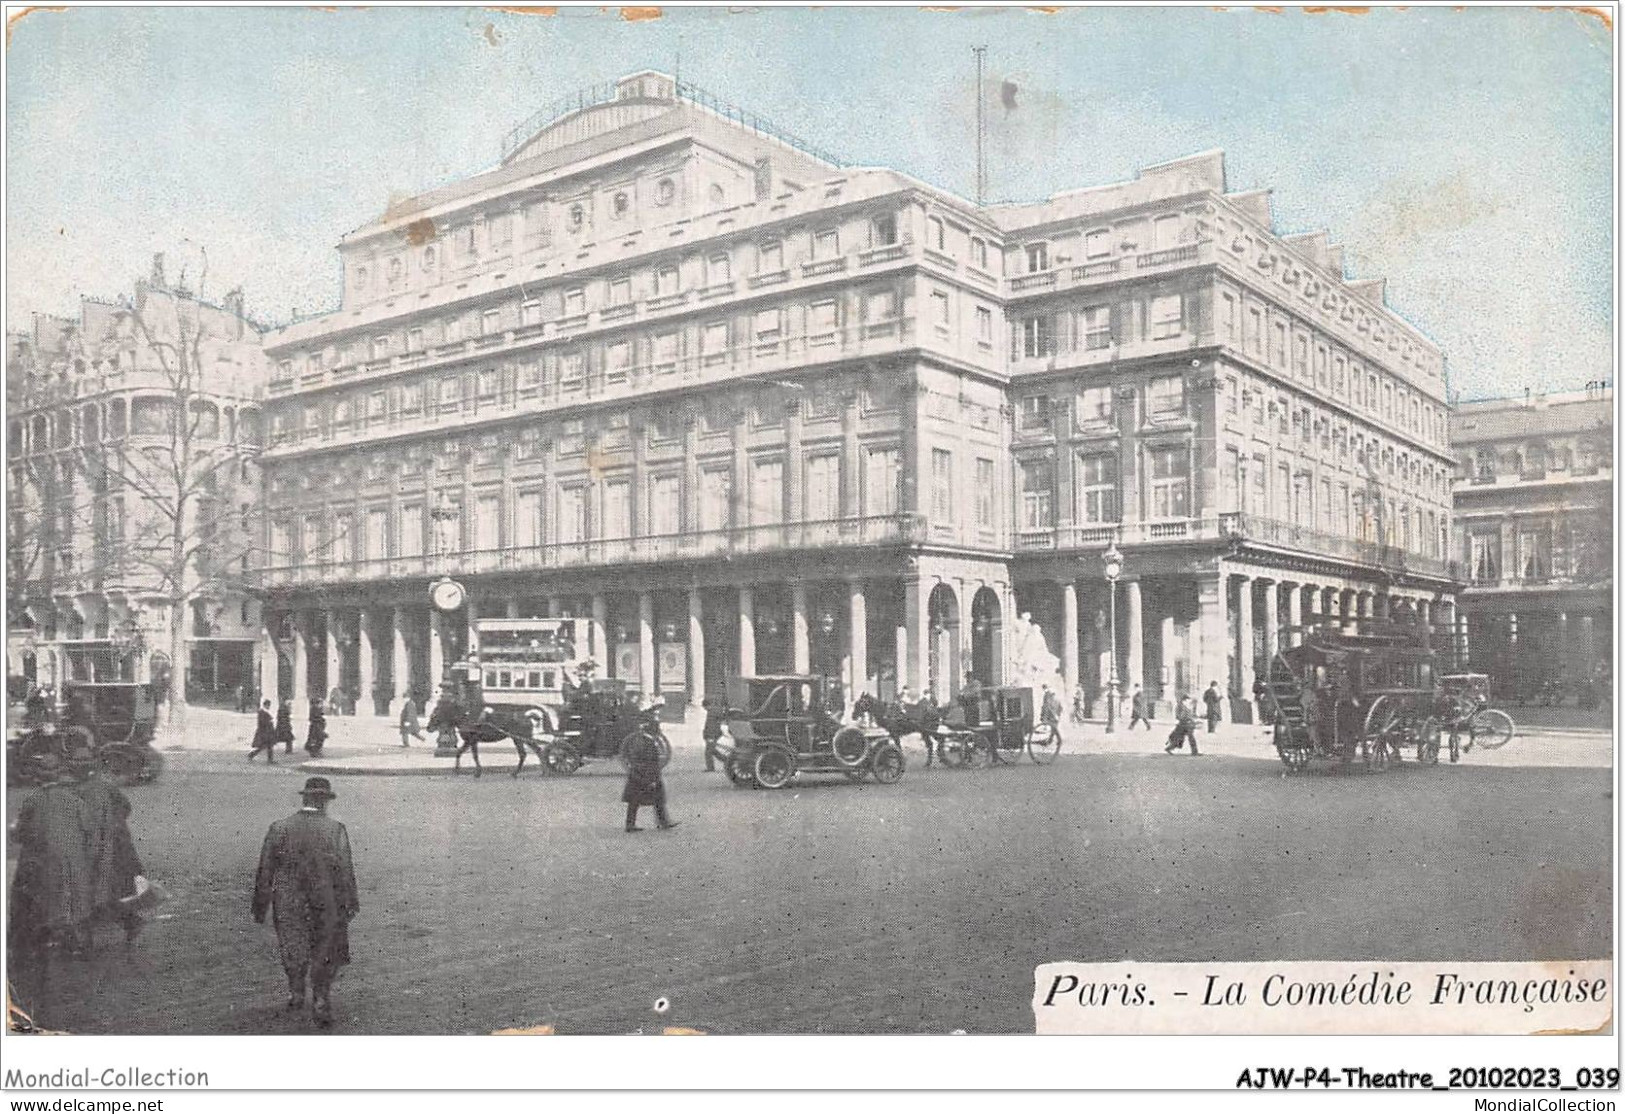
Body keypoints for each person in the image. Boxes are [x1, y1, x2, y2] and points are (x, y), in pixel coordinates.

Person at [252, 777, 358, 1027]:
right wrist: (351, 902)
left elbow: (265, 869)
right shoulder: (335, 829)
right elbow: (345, 869)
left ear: (305, 799)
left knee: (293, 944)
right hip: (326, 898)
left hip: (288, 899)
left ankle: (296, 991)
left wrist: (260, 905)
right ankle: (320, 997)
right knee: (325, 947)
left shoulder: (280, 827)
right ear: (325, 802)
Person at [7, 751, 97, 958]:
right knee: (74, 897)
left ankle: (40, 938)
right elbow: (89, 829)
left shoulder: (33, 799)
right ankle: (75, 939)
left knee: (35, 894)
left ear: (38, 776)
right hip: (74, 860)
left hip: (43, 860)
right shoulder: (74, 799)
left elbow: (20, 833)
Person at [72, 757, 146, 945]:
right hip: (112, 847)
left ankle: (122, 924)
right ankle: (127, 922)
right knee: (109, 890)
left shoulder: (85, 789)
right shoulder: (104, 789)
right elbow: (125, 809)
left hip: (104, 849)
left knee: (100, 890)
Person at [623, 721, 677, 832]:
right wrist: (652, 779)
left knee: (635, 800)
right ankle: (663, 822)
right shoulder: (648, 743)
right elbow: (650, 762)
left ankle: (631, 824)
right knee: (656, 798)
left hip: (637, 774)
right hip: (646, 774)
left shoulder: (641, 740)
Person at [701, 696, 727, 772]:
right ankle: (727, 760)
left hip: (712, 734)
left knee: (708, 752)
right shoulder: (714, 711)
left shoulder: (712, 713)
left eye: (704, 707)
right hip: (713, 734)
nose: (704, 709)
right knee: (712, 750)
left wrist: (709, 736)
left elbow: (711, 726)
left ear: (706, 706)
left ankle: (711, 767)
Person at [249, 698, 278, 762]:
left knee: (266, 746)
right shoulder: (262, 712)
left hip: (267, 732)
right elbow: (263, 722)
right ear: (265, 705)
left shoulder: (263, 712)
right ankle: (253, 754)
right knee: (266, 746)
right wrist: (269, 722)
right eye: (268, 705)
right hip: (264, 732)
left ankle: (253, 754)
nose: (269, 707)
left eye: (269, 705)